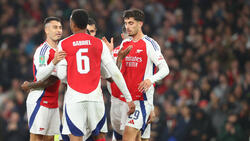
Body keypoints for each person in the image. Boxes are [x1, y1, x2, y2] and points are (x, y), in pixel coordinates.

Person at [56, 9, 135, 141]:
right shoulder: (99, 43)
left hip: (74, 98)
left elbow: (61, 74)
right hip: (95, 97)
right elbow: (114, 72)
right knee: (99, 136)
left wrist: (73, 75)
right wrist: (129, 98)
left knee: (76, 137)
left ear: (72, 24)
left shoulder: (63, 44)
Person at [110, 9, 169, 141]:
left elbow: (165, 69)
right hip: (126, 101)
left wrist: (150, 79)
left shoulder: (150, 44)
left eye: (131, 23)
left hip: (141, 101)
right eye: (125, 23)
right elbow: (117, 73)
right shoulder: (125, 44)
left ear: (140, 24)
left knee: (128, 136)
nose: (127, 27)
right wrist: (119, 59)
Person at [24, 17, 66, 141]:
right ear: (46, 30)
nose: (58, 30)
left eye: (60, 27)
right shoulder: (43, 51)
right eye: (55, 27)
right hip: (39, 100)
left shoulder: (60, 50)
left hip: (53, 102)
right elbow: (40, 75)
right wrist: (54, 62)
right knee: (37, 137)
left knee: (52, 138)